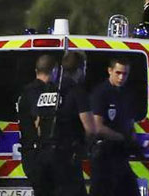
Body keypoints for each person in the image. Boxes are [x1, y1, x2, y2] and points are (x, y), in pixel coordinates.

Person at [18, 53, 94, 196]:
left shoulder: (27, 93)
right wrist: (83, 148)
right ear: (55, 70)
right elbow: (90, 129)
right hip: (61, 156)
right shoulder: (68, 91)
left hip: (33, 158)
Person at [90, 57, 141, 196]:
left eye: (125, 74)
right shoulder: (101, 93)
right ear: (110, 71)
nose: (121, 77)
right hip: (104, 156)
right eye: (118, 73)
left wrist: (132, 139)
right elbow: (97, 126)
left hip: (120, 155)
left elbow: (129, 122)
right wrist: (122, 137)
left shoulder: (125, 94)